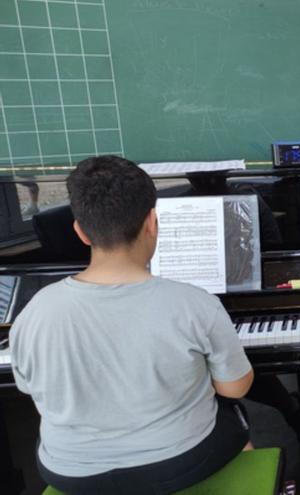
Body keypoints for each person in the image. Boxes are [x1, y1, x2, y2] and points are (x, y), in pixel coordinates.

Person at [10, 155, 255, 495]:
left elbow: (31, 390)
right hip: (176, 465)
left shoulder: (33, 312)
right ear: (153, 222)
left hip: (69, 474)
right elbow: (235, 388)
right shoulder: (194, 303)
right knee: (233, 414)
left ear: (80, 231)